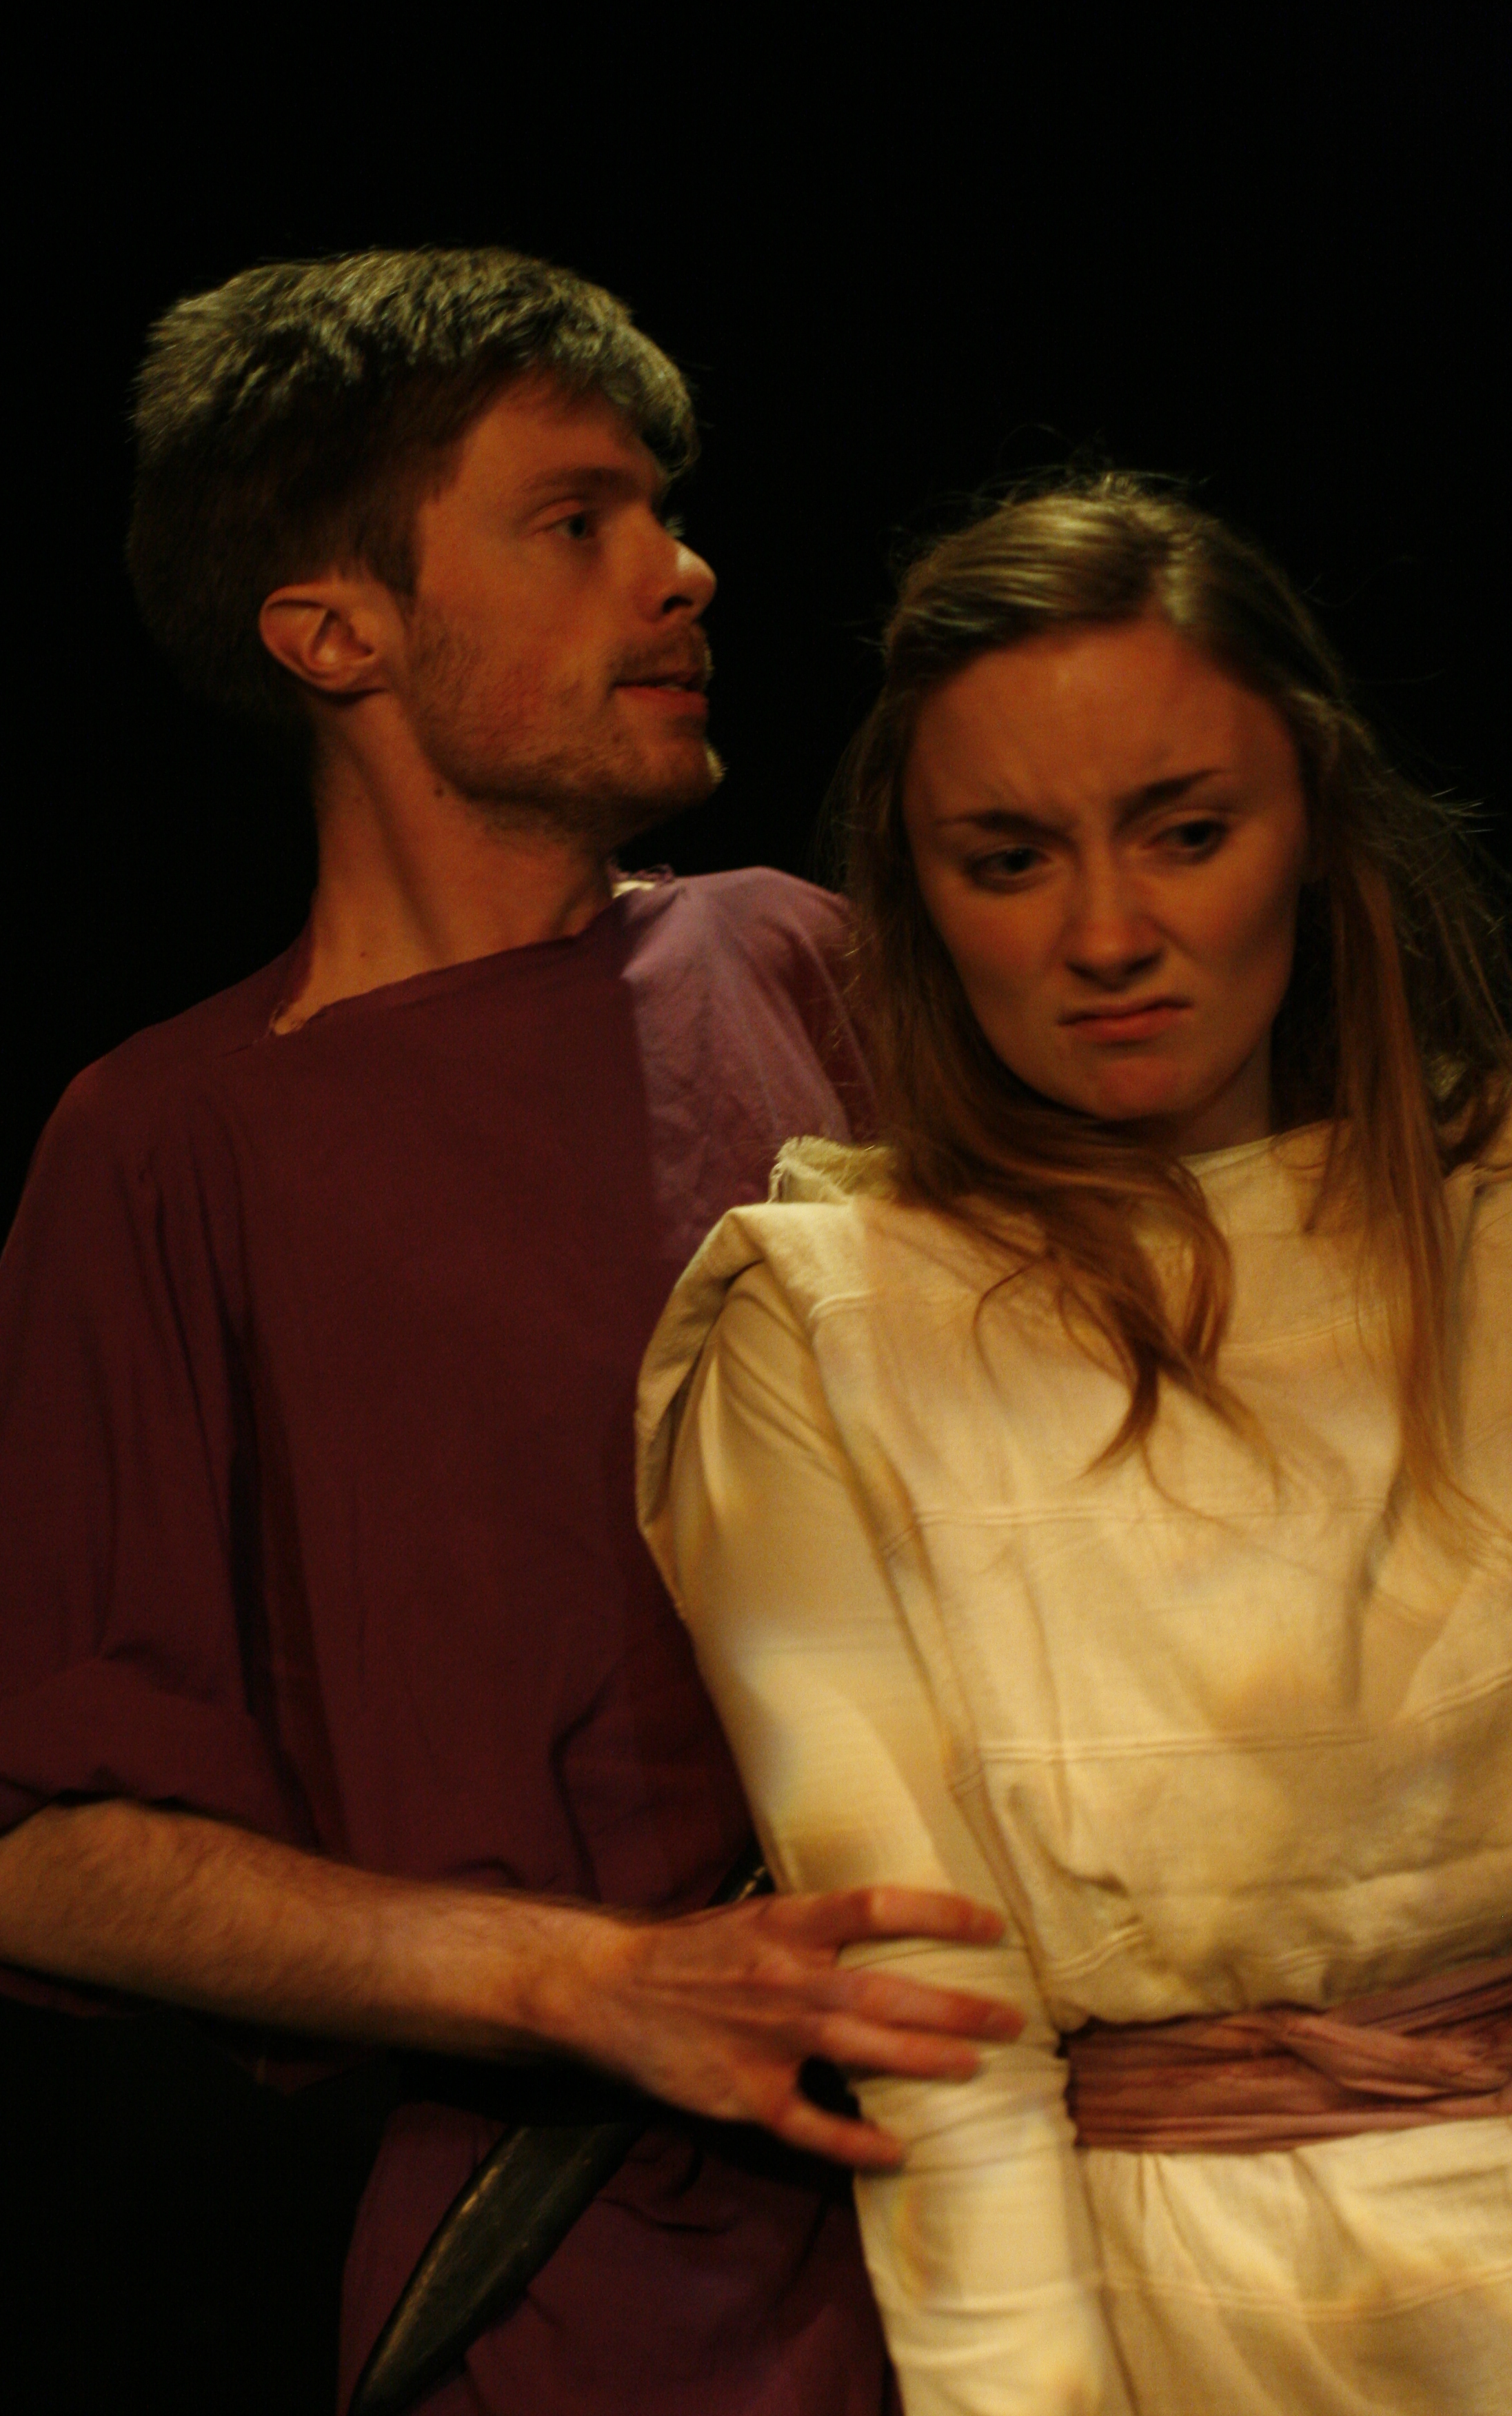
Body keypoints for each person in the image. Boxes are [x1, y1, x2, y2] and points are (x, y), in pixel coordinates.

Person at [0, 247, 1025, 2415]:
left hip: (1052, 2179)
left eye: (663, 511)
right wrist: (587, 1978)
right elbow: (21, 1846)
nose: (680, 571)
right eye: (576, 521)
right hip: (605, 2287)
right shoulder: (173, 1140)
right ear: (334, 633)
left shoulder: (793, 959)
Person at [637, 476, 1512, 2415]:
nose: (1110, 934)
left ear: (1312, 821)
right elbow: (942, 2046)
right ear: (917, 890)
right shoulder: (832, 1323)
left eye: (1187, 833)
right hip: (1199, 2319)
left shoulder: (1493, 1221)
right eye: (1010, 859)